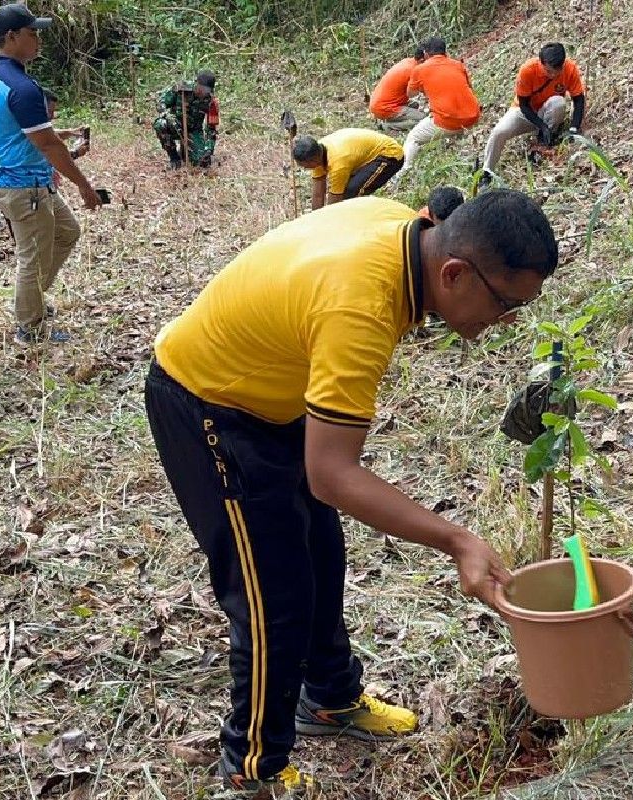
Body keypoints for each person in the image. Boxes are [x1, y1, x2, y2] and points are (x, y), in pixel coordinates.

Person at [144, 190, 556, 795]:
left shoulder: (410, 232)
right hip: (207, 404)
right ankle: (254, 767)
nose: (506, 322)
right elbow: (332, 475)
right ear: (454, 273)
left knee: (318, 549)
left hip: (273, 392)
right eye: (505, 305)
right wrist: (457, 539)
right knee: (272, 594)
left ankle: (331, 699)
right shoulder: (361, 304)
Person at [0, 3, 101, 345]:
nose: (38, 41)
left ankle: (29, 299)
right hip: (22, 185)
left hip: (22, 180)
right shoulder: (21, 87)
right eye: (32, 34)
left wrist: (55, 136)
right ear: (12, 37)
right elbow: (47, 145)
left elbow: (25, 133)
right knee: (31, 257)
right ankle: (29, 329)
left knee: (66, 231)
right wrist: (84, 186)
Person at [481, 43, 586, 178]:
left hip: (548, 110)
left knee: (558, 102)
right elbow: (524, 105)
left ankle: (545, 141)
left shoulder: (570, 69)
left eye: (556, 71)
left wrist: (574, 128)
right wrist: (541, 125)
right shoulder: (528, 70)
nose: (553, 75)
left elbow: (578, 98)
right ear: (541, 63)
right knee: (499, 132)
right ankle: (487, 171)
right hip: (524, 112)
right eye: (548, 71)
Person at [401, 37, 481, 172]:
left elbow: (410, 94)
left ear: (426, 53)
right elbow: (469, 87)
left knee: (413, 138)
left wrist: (423, 87)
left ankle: (403, 171)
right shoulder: (458, 65)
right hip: (473, 116)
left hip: (448, 121)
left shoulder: (420, 69)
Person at [292, 129, 404, 210]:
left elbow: (335, 202)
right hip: (365, 156)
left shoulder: (338, 163)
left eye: (304, 166)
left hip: (390, 154)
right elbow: (318, 195)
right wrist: (313, 221)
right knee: (345, 194)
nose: (304, 168)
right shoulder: (318, 153)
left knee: (349, 194)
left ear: (313, 161)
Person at [153, 70, 219, 168]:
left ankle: (185, 150)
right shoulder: (182, 89)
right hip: (176, 125)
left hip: (194, 131)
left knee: (201, 163)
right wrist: (165, 114)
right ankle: (174, 157)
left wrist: (208, 149)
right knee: (160, 124)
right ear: (196, 83)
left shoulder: (211, 101)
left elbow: (211, 129)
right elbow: (161, 101)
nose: (203, 92)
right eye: (202, 88)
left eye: (207, 90)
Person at [368, 47, 425, 131]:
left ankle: (387, 118)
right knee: (423, 120)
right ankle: (386, 126)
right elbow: (415, 92)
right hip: (385, 107)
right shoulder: (413, 71)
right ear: (422, 60)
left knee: (416, 105)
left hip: (377, 104)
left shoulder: (407, 61)